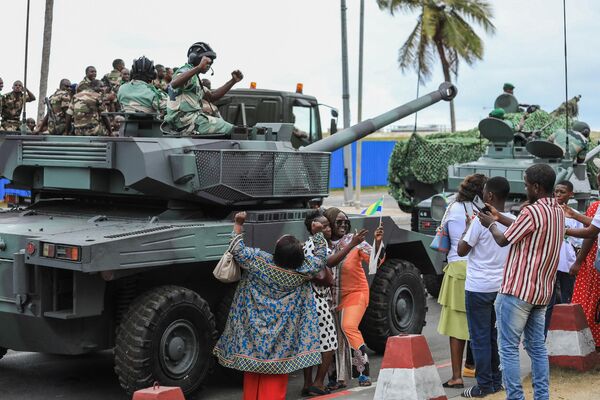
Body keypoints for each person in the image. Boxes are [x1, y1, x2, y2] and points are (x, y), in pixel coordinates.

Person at [213, 212, 327, 400]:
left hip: (254, 333)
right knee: (276, 371)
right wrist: (318, 235)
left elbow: (236, 249)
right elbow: (321, 258)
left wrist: (238, 224)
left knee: (253, 371)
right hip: (283, 336)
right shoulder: (304, 269)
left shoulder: (259, 261)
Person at [479, 164, 565, 400]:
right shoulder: (557, 211)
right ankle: (541, 396)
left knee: (508, 348)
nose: (525, 188)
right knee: (537, 347)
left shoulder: (531, 211)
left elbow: (504, 240)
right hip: (541, 294)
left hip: (516, 291)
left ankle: (515, 397)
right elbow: (523, 228)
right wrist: (499, 217)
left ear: (536, 187)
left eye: (527, 185)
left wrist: (491, 224)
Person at [457, 176, 514, 397]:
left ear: (489, 196)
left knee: (479, 338)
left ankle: (483, 386)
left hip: (478, 288)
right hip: (502, 287)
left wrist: (466, 229)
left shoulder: (479, 222)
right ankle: (496, 382)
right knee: (495, 337)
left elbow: (462, 250)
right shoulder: (513, 219)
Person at [301, 210, 364, 396]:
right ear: (315, 228)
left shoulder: (306, 244)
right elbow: (330, 262)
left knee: (310, 343)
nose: (330, 229)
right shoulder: (320, 245)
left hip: (306, 300)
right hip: (319, 300)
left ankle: (307, 383)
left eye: (329, 225)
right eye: (325, 226)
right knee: (329, 343)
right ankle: (319, 383)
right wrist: (352, 244)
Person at [323, 207, 384, 387]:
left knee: (348, 326)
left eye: (345, 221)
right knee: (333, 337)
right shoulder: (322, 245)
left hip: (356, 293)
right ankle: (337, 379)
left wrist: (378, 242)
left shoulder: (353, 240)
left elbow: (375, 261)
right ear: (329, 224)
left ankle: (363, 373)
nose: (343, 225)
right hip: (331, 298)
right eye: (338, 222)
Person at [437, 174, 485, 389]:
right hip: (476, 268)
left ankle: (457, 376)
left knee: (457, 328)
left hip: (457, 269)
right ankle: (477, 369)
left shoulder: (453, 208)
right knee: (480, 325)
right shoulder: (480, 212)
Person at [165, 42, 243, 135]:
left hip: (190, 120)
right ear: (194, 58)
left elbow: (213, 96)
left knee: (230, 128)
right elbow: (174, 83)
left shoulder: (195, 78)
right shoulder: (185, 70)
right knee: (235, 131)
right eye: (207, 61)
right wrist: (198, 68)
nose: (209, 65)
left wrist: (233, 81)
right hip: (185, 121)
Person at [563, 175, 600, 349]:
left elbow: (591, 233)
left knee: (590, 304)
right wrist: (575, 216)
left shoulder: (596, 206)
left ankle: (592, 342)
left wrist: (564, 230)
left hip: (594, 264)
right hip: (593, 261)